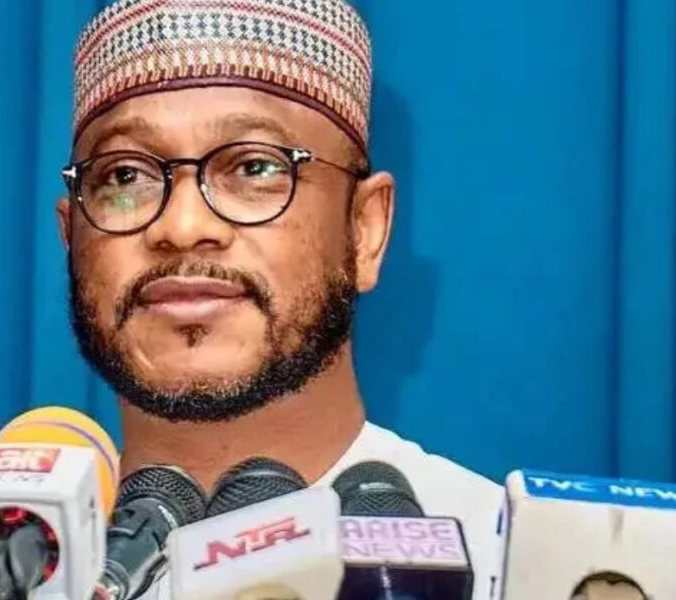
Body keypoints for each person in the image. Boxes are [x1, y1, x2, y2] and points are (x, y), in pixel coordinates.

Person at [61, 0, 505, 598]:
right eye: (123, 176)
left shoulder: (517, 566)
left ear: (365, 230)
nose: (183, 226)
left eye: (254, 167)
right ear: (70, 236)